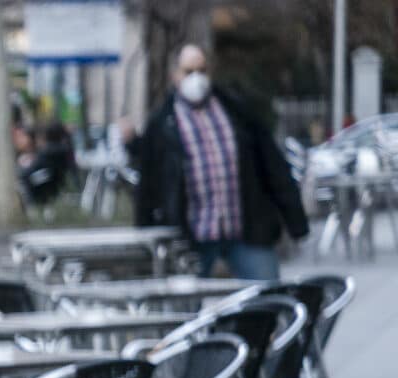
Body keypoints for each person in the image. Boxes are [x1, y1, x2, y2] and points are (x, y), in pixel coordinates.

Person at [125, 43, 306, 280]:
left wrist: (295, 221)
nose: (196, 78)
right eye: (188, 71)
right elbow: (149, 185)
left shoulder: (237, 111)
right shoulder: (161, 125)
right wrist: (146, 242)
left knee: (267, 300)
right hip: (191, 238)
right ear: (175, 76)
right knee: (183, 310)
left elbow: (273, 165)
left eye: (202, 70)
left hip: (246, 230)